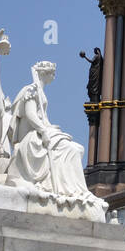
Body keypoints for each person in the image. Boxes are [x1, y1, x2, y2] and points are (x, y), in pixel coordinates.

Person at [7, 62, 106, 217]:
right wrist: (44, 130)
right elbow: (31, 115)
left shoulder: (41, 92)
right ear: (44, 73)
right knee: (71, 150)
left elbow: (43, 117)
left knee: (78, 149)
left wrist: (50, 126)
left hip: (43, 131)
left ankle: (73, 190)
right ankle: (68, 191)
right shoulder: (31, 90)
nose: (53, 76)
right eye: (52, 73)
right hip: (34, 137)